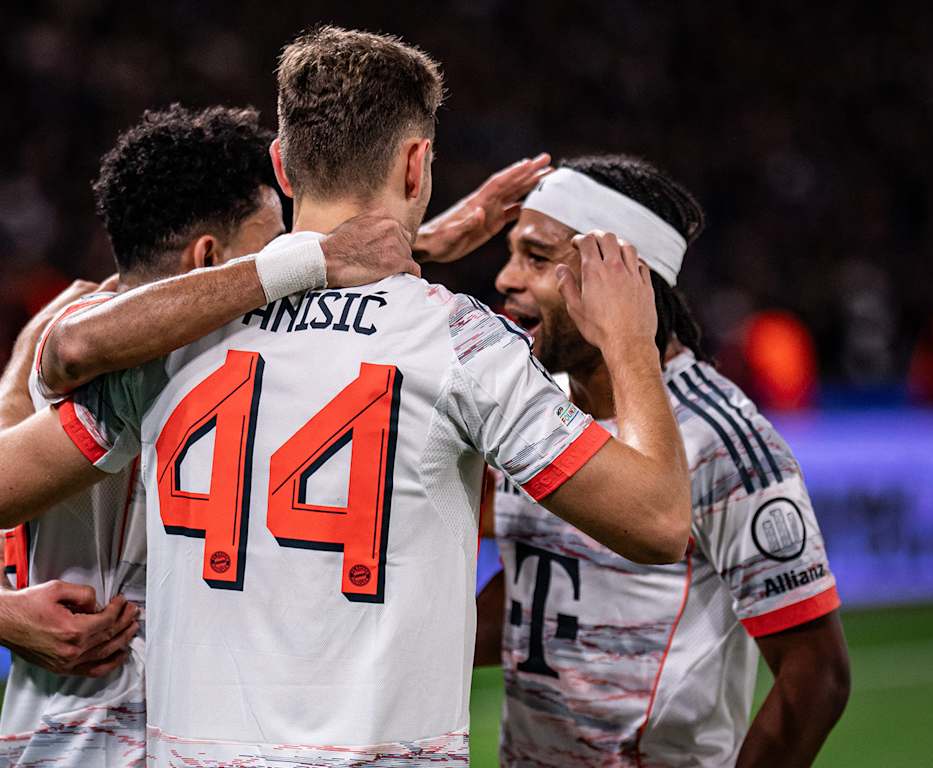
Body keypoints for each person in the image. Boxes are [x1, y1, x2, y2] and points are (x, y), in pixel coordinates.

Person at [0, 28, 691, 765]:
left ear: (283, 167)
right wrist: (628, 341)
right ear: (417, 163)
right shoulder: (458, 344)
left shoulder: (170, 340)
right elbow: (656, 523)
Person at [0, 102, 418, 767]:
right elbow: (78, 347)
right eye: (276, 237)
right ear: (207, 255)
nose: (292, 254)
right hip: (84, 743)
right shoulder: (98, 329)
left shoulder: (215, 350)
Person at [476, 155, 851, 768]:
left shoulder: (720, 437)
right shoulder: (536, 406)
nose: (506, 279)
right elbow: (540, 590)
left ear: (623, 278)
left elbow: (817, 675)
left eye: (537, 258)